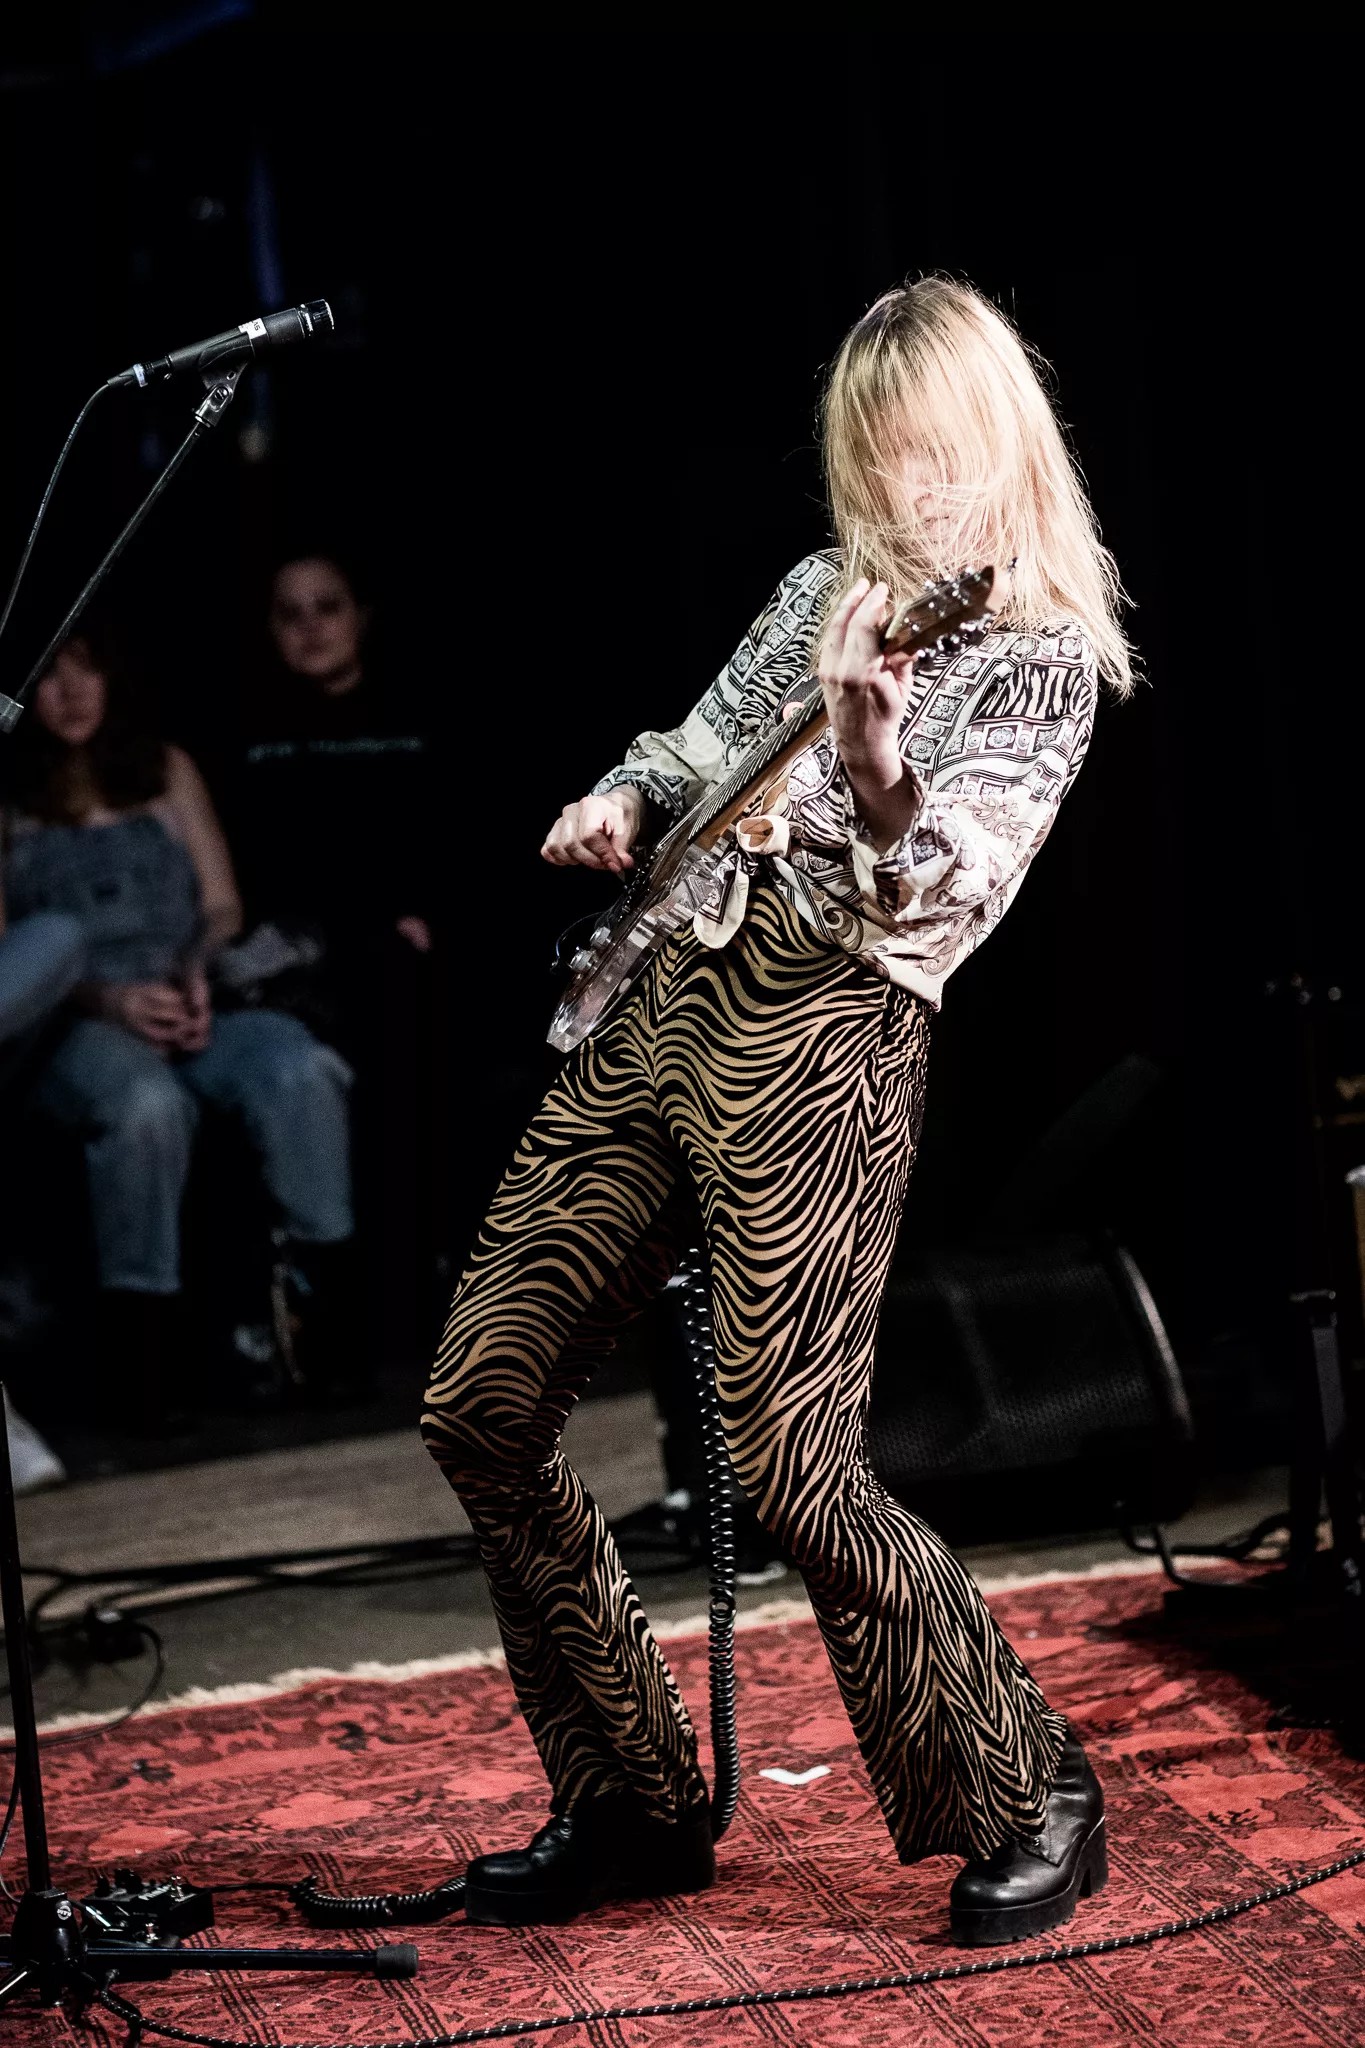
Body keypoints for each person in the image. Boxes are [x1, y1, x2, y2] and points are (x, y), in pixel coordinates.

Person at [422, 277, 1132, 1946]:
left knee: (794, 1464)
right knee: (480, 1400)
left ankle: (1031, 1786)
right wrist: (621, 796)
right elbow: (701, 750)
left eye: (930, 453)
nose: (901, 490)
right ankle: (632, 1795)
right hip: (661, 999)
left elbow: (944, 894)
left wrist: (881, 771)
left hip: (823, 1037)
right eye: (872, 457)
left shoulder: (1041, 660)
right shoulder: (823, 589)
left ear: (1000, 445)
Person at [0, 624, 360, 1423]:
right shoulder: (11, 802)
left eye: (87, 671)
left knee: (295, 1065)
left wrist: (197, 970)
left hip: (186, 997)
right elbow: (9, 957)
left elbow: (222, 904)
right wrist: (106, 1000)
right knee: (145, 1106)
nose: (71, 693)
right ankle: (146, 1354)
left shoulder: (166, 768)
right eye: (51, 676)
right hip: (76, 1018)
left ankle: (326, 1317)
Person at [232, 552, 440, 1358]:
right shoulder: (250, 738)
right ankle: (340, 1311)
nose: (311, 627)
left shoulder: (416, 719)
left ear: (362, 616)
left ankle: (419, 1297)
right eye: (290, 613)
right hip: (297, 965)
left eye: (327, 606)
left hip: (407, 961)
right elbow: (259, 883)